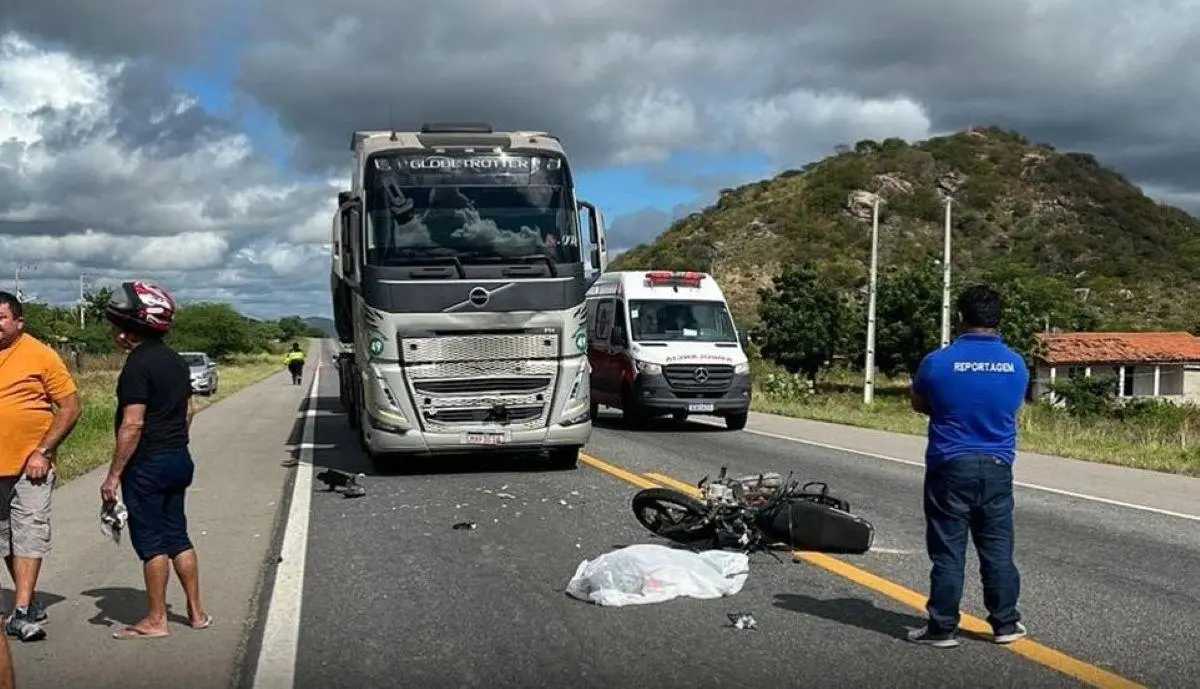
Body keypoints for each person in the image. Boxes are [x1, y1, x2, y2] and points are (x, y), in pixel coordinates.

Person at [907, 284, 1029, 649]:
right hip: (997, 465)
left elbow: (919, 403)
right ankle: (1005, 623)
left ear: (959, 317)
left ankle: (943, 627)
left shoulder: (937, 362)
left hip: (950, 464)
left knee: (948, 551)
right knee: (998, 550)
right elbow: (1011, 405)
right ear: (998, 319)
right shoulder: (1016, 364)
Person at [98, 281, 211, 640]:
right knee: (178, 535)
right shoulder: (175, 360)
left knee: (152, 543)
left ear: (127, 328)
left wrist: (113, 476)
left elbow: (133, 423)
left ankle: (156, 619)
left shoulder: (137, 365)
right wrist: (174, 441)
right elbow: (189, 410)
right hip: (178, 457)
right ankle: (197, 613)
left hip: (147, 464)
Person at [0, 291, 82, 643]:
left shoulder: (40, 355)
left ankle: (20, 613)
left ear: (19, 322)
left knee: (30, 531)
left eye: (1, 318)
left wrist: (44, 451)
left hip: (30, 466)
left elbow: (70, 407)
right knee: (7, 538)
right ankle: (29, 602)